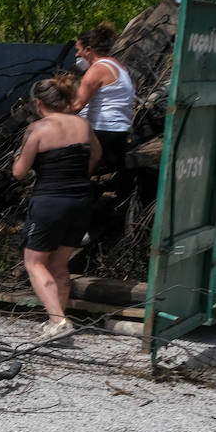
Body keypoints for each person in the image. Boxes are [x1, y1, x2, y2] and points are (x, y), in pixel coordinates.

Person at [14, 74, 102, 343]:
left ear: (38, 103)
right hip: (80, 199)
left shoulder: (37, 129)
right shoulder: (82, 124)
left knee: (34, 262)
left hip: (50, 202)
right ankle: (57, 322)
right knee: (59, 263)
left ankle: (58, 321)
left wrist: (18, 159)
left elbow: (19, 172)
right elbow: (96, 154)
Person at [68, 23, 135, 206]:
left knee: (70, 171)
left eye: (79, 50)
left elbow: (77, 105)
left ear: (89, 50)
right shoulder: (118, 66)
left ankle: (76, 206)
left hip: (102, 132)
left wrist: (52, 117)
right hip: (119, 132)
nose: (77, 55)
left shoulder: (96, 70)